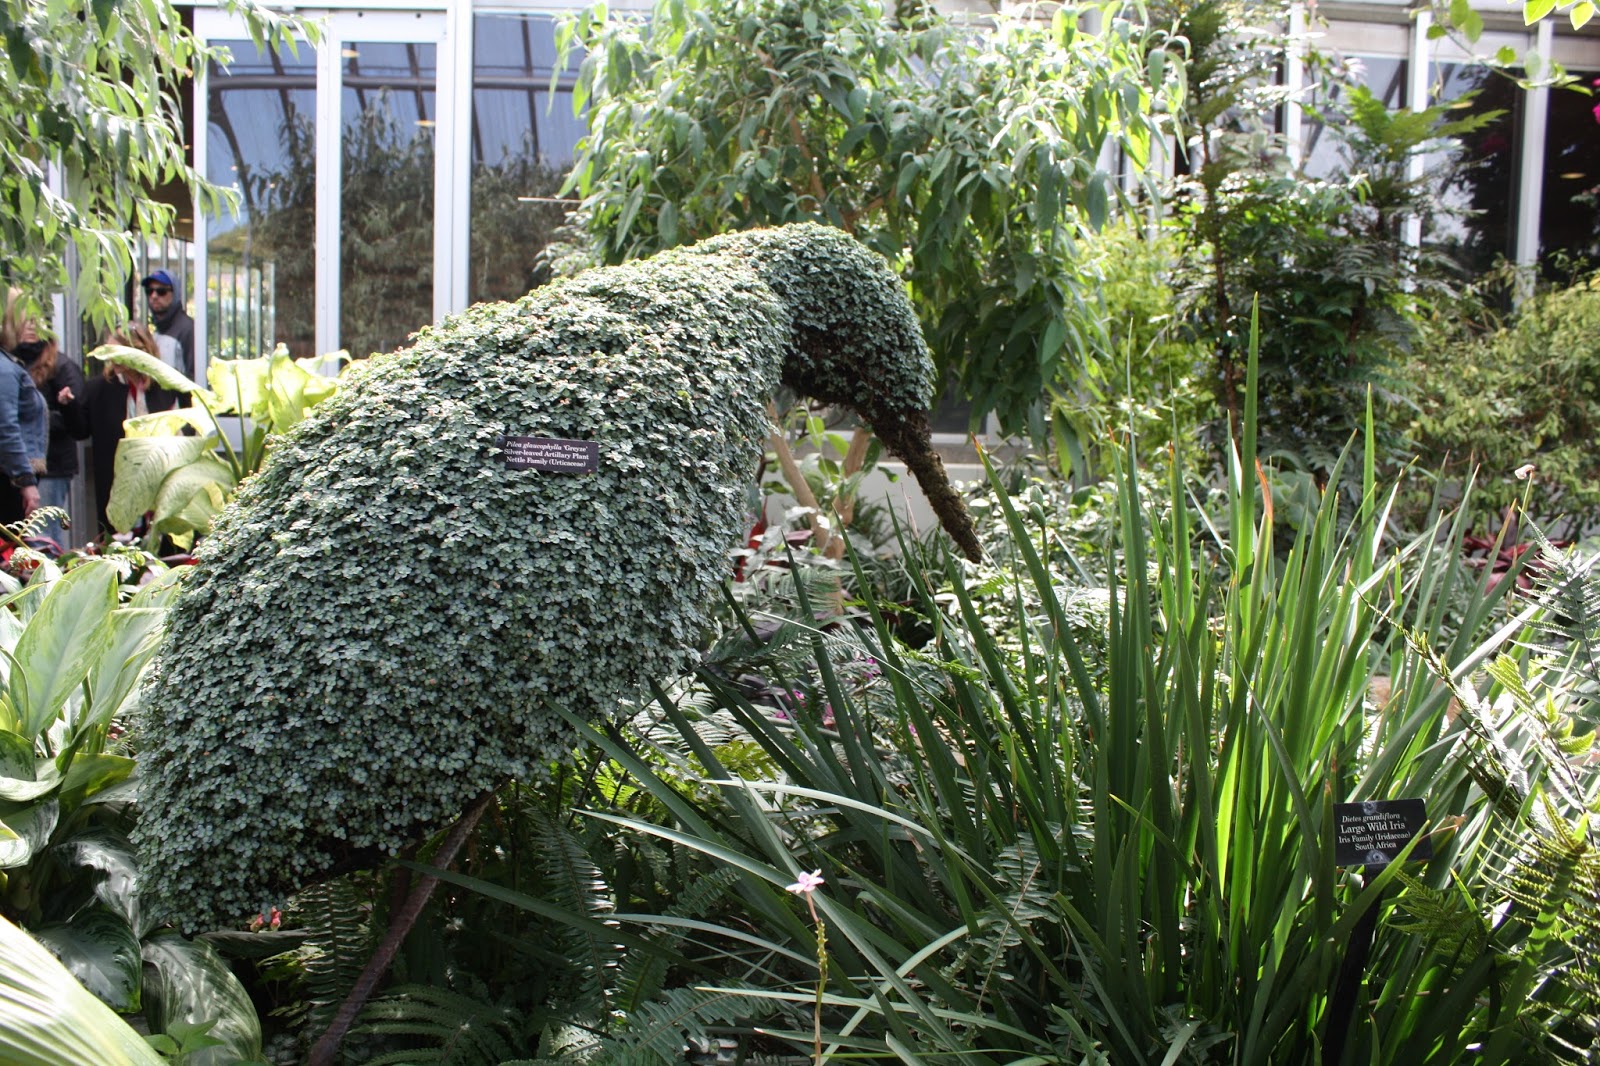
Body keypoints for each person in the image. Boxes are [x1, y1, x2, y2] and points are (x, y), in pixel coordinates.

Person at [85, 322, 177, 535]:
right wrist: (68, 404)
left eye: (116, 351)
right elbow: (81, 429)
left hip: (157, 471)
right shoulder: (101, 388)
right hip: (117, 478)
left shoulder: (165, 386)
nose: (111, 359)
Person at [12, 320, 89, 548]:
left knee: (42, 537)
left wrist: (37, 417)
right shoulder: (14, 362)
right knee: (24, 538)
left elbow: (79, 426)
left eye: (35, 322)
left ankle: (50, 582)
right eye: (23, 321)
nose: (29, 327)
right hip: (21, 466)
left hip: (52, 465)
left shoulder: (61, 366)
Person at [0, 289, 50, 526]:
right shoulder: (5, 369)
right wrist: (26, 481)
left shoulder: (9, 365)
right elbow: (6, 427)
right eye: (27, 319)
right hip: (9, 484)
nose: (34, 327)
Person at [141, 269, 194, 380]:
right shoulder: (157, 329)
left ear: (175, 293)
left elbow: (195, 376)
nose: (154, 296)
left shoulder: (188, 329)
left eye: (161, 291)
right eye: (149, 291)